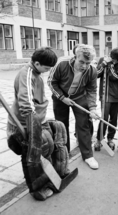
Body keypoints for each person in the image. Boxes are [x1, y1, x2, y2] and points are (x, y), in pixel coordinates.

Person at [6, 47, 70, 201]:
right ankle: (37, 187)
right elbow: (26, 103)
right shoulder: (26, 74)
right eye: (46, 68)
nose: (48, 71)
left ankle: (58, 171)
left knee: (58, 130)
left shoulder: (37, 73)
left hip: (38, 119)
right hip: (26, 122)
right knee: (36, 151)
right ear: (36, 63)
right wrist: (34, 131)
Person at [48, 44, 99, 170]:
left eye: (88, 63)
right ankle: (64, 154)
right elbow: (51, 82)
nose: (84, 66)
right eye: (81, 62)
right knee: (62, 125)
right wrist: (62, 98)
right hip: (60, 97)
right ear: (75, 56)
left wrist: (92, 108)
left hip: (79, 97)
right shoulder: (62, 64)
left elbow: (92, 90)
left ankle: (87, 155)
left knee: (84, 124)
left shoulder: (92, 70)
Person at [94, 47, 118, 151]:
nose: (113, 60)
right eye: (112, 58)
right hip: (104, 96)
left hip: (115, 96)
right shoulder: (103, 60)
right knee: (103, 118)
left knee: (113, 119)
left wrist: (111, 66)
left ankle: (110, 138)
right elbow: (96, 74)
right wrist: (103, 64)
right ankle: (99, 139)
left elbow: (117, 78)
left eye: (115, 59)